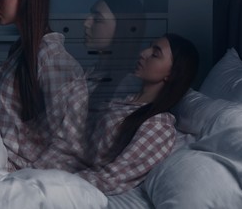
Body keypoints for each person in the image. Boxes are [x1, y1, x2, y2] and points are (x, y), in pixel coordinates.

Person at [0, 0, 88, 172]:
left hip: (29, 171)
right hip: (8, 159)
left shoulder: (53, 60)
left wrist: (27, 178)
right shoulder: (20, 49)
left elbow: (70, 142)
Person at [76, 33, 199, 195]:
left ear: (171, 74)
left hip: (65, 172)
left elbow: (111, 179)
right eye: (149, 47)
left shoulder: (157, 125)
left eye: (155, 54)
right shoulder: (124, 98)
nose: (143, 53)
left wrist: (58, 179)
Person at [84, 0, 146, 105]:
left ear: (122, 28)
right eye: (90, 15)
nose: (86, 23)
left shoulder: (127, 85)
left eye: (97, 19)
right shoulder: (91, 71)